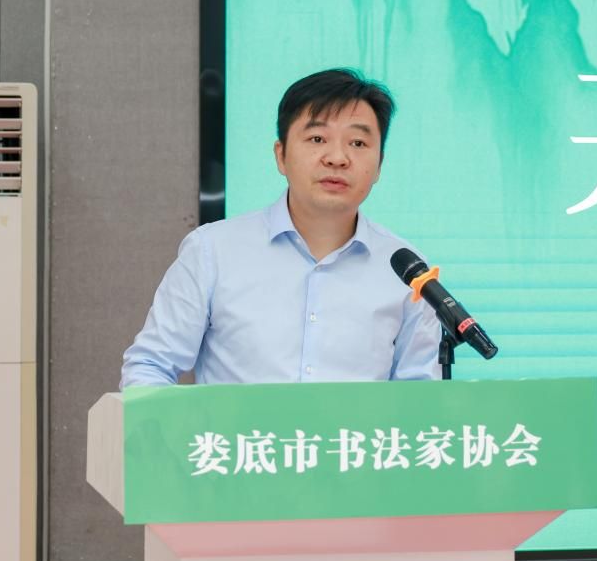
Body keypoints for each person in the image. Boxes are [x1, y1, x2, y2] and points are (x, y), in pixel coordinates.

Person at [120, 67, 441, 388]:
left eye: (358, 143)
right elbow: (149, 367)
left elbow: (421, 394)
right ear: (281, 156)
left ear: (379, 164)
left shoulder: (407, 272)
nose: (337, 158)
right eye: (317, 139)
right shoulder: (212, 251)